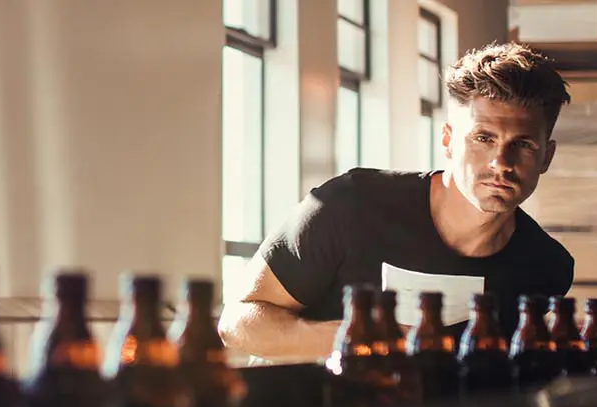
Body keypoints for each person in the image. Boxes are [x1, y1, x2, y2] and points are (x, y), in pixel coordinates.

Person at [219, 43, 576, 364]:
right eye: (483, 138)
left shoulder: (546, 267)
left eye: (524, 144)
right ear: (448, 141)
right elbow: (237, 322)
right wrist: (350, 338)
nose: (501, 162)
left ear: (546, 156)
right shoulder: (352, 205)